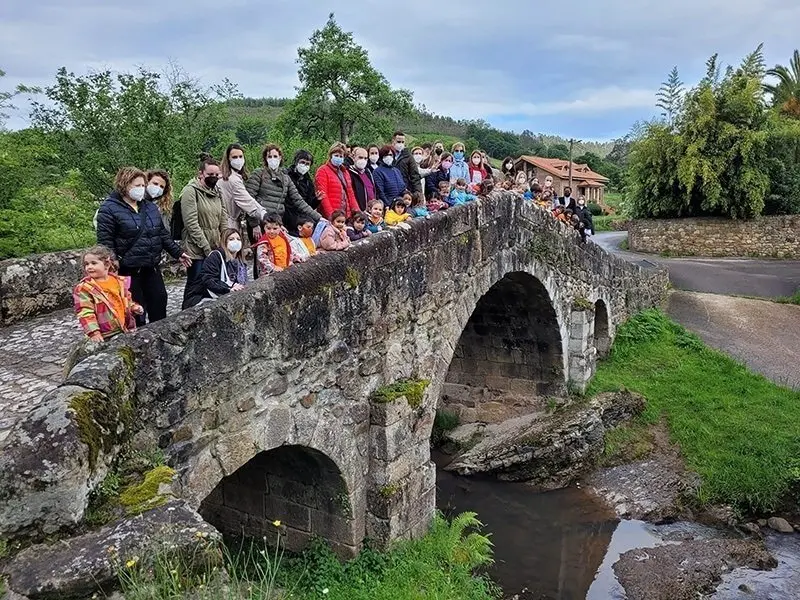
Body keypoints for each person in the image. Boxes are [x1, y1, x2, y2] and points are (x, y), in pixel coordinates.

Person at [96, 166, 190, 325]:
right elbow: (106, 241)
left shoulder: (149, 207)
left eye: (142, 185)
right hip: (128, 269)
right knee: (135, 310)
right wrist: (112, 263)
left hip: (151, 266)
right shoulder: (109, 208)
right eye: (137, 185)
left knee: (159, 302)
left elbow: (161, 233)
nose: (141, 189)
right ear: (124, 184)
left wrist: (178, 252)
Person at [179, 156, 228, 308]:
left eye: (216, 175)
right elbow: (191, 223)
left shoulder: (217, 191)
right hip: (196, 249)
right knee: (195, 285)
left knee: (212, 283)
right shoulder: (190, 191)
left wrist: (224, 240)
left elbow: (223, 217)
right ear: (200, 173)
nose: (214, 177)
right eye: (210, 174)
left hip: (214, 244)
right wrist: (206, 247)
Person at [245, 144, 321, 240]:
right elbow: (249, 199)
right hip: (260, 223)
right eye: (270, 156)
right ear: (265, 158)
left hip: (276, 223)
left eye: (275, 156)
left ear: (280, 158)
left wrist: (319, 218)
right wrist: (254, 224)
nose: (273, 159)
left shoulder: (285, 178)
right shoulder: (258, 174)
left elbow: (299, 201)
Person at [73, 245, 143, 342]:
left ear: (107, 264)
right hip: (104, 335)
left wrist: (133, 307)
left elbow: (126, 300)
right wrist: (94, 332)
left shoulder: (119, 281)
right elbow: (85, 312)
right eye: (86, 264)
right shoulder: (84, 288)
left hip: (124, 329)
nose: (89, 267)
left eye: (93, 263)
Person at [182, 229, 248, 309]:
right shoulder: (216, 256)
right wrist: (229, 287)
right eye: (231, 239)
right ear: (224, 242)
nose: (236, 242)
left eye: (238, 239)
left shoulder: (239, 261)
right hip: (200, 297)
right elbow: (208, 279)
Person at [219, 143, 265, 233]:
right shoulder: (232, 180)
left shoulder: (224, 176)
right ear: (228, 159)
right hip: (229, 223)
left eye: (240, 156)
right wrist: (265, 214)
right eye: (234, 157)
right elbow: (248, 202)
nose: (238, 160)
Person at [315, 142, 360, 220]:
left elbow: (351, 194)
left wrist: (358, 213)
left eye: (341, 156)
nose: (338, 158)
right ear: (330, 156)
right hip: (332, 216)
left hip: (346, 215)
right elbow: (323, 196)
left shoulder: (345, 172)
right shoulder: (322, 171)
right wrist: (332, 216)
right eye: (336, 155)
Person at [391, 131, 422, 196]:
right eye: (398, 142)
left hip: (405, 190)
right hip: (390, 189)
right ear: (393, 141)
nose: (401, 144)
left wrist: (418, 192)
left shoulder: (408, 156)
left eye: (403, 142)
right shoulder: (387, 155)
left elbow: (415, 175)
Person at [347, 147, 378, 211]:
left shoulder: (368, 172)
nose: (363, 160)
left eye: (365, 158)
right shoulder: (349, 173)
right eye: (360, 157)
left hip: (371, 211)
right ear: (353, 158)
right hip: (358, 212)